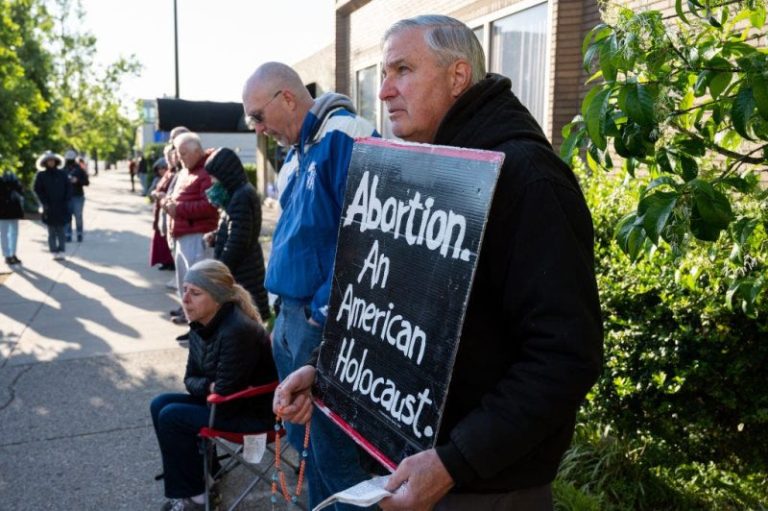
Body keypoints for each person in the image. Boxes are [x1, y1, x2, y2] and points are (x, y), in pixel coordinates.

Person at [274, 15, 603, 511]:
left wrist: (455, 462)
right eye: (382, 73)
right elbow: (398, 319)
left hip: (486, 488)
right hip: (414, 467)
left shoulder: (530, 180)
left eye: (402, 70)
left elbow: (565, 356)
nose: (383, 91)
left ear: (458, 76)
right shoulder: (429, 165)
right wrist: (327, 375)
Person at [241, 62, 378, 509]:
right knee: (308, 446)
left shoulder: (346, 137)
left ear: (287, 98)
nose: (258, 129)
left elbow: (365, 239)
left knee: (334, 454)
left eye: (258, 117)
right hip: (291, 316)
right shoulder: (297, 152)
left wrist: (322, 313)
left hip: (316, 324)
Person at [150, 259, 278, 511]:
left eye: (195, 293)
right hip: (224, 404)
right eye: (184, 289)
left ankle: (197, 499)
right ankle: (203, 478)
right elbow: (190, 380)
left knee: (172, 416)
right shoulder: (201, 323)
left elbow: (225, 391)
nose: (185, 299)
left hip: (252, 414)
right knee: (159, 404)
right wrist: (208, 386)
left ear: (218, 298)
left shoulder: (237, 330)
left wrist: (208, 387)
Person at [203, 147, 271, 321]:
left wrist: (219, 272)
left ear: (225, 173)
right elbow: (234, 228)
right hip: (242, 269)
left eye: (214, 176)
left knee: (244, 321)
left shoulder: (242, 196)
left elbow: (238, 242)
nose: (212, 181)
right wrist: (216, 236)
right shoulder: (236, 194)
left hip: (244, 272)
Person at [165, 132, 219, 325]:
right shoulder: (186, 171)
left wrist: (178, 209)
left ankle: (199, 324)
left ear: (197, 151)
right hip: (183, 233)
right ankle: (191, 321)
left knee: (198, 286)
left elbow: (209, 205)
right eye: (179, 154)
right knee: (186, 284)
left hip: (197, 235)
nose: (180, 158)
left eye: (183, 154)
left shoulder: (206, 171)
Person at [33, 151, 72, 261]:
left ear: (56, 161)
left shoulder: (62, 174)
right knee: (51, 232)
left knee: (61, 231)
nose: (51, 162)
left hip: (61, 206)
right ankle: (54, 251)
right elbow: (37, 189)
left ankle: (62, 250)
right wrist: (44, 202)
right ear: (45, 163)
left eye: (52, 160)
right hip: (48, 207)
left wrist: (66, 200)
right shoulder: (41, 175)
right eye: (49, 161)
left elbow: (69, 187)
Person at [149, 153, 175, 271]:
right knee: (160, 238)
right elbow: (151, 191)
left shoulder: (172, 177)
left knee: (166, 238)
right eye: (159, 168)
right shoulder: (159, 179)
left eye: (163, 168)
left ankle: (170, 261)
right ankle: (164, 261)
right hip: (159, 211)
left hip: (166, 211)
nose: (161, 170)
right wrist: (154, 194)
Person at [0, 167, 25, 266]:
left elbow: (21, 192)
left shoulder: (15, 180)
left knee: (14, 233)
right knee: (4, 234)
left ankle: (13, 254)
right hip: (2, 211)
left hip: (14, 210)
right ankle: (7, 255)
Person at [63, 149, 89, 243]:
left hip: (78, 196)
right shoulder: (63, 170)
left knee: (78, 216)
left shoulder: (79, 169)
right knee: (67, 216)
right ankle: (68, 234)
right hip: (66, 197)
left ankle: (79, 233)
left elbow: (86, 182)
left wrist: (77, 181)